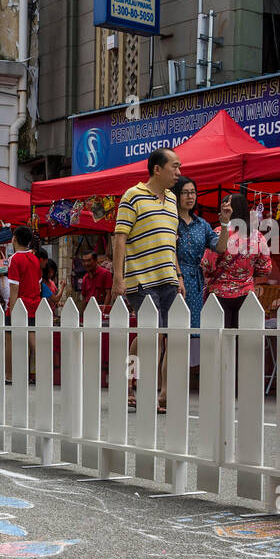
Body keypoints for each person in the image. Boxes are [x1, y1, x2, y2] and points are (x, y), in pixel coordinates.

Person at [112, 147, 183, 412]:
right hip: (141, 279)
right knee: (151, 337)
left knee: (157, 337)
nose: (179, 172)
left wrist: (178, 275)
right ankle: (144, 391)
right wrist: (118, 278)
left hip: (168, 279)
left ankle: (129, 381)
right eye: (174, 166)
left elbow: (170, 242)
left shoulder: (172, 200)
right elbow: (120, 237)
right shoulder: (133, 196)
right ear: (157, 169)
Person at [203, 193, 273, 329]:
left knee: (221, 341)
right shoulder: (258, 237)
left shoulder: (218, 233)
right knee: (243, 343)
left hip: (219, 294)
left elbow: (207, 265)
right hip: (246, 294)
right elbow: (266, 269)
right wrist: (248, 273)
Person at [173, 176, 230, 328]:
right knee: (169, 328)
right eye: (185, 192)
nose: (190, 196)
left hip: (194, 279)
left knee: (191, 328)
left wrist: (224, 223)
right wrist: (179, 276)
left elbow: (220, 247)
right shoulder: (169, 220)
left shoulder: (201, 224)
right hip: (172, 277)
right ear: (176, 195)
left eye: (193, 192)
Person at [5, 225, 43, 384]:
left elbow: (14, 286)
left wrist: (12, 309)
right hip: (34, 303)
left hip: (19, 304)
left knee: (10, 340)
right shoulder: (35, 258)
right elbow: (39, 283)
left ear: (14, 239)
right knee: (32, 341)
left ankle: (10, 375)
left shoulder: (15, 258)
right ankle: (38, 370)